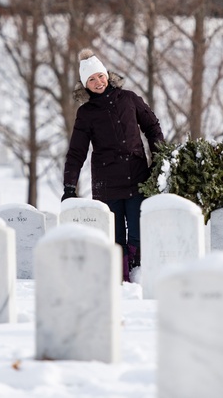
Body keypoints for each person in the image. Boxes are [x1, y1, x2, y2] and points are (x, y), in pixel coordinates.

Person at [62, 48, 164, 282]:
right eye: (91, 79)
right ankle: (120, 283)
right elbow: (77, 152)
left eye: (100, 76)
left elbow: (152, 127)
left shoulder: (129, 99)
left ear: (107, 75)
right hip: (107, 187)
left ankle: (138, 279)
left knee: (138, 236)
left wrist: (158, 159)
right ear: (85, 85)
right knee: (115, 239)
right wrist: (69, 186)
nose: (98, 82)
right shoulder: (86, 114)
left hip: (138, 179)